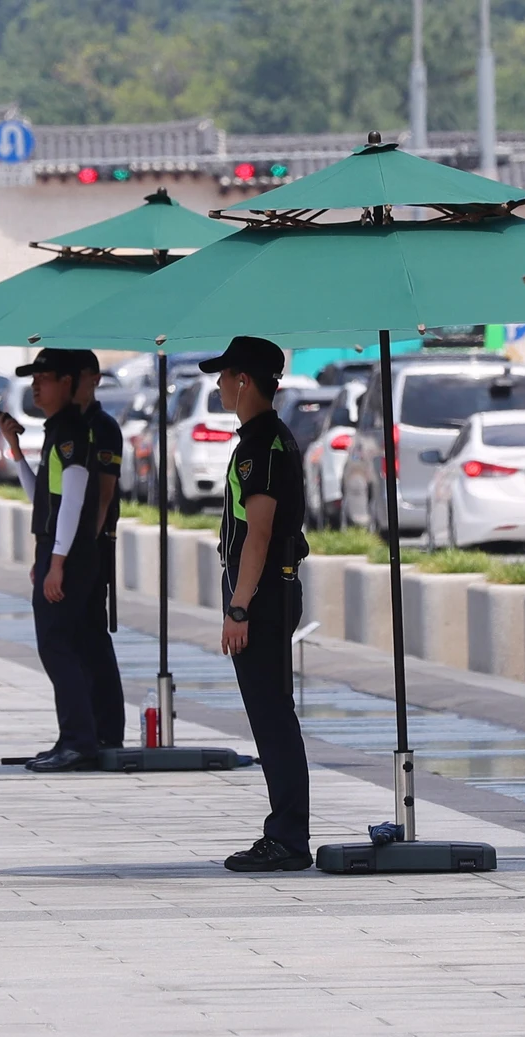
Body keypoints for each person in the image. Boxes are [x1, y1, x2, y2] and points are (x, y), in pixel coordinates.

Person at [204, 337, 313, 873]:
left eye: (224, 376)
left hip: (265, 594)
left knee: (272, 718)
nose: (219, 384)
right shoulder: (262, 439)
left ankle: (289, 837)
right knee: (273, 715)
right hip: (271, 591)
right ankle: (286, 831)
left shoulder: (262, 444)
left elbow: (260, 532)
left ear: (244, 380)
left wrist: (238, 607)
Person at [0, 349, 103, 772]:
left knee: (59, 647)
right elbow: (44, 496)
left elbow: (74, 499)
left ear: (68, 382)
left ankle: (80, 740)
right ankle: (71, 737)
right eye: (33, 377)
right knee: (58, 647)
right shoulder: (57, 430)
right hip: (57, 551)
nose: (36, 385)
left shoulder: (72, 432)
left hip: (71, 556)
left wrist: (57, 561)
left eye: (45, 377)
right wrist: (16, 451)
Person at [75, 351, 126, 749]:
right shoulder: (68, 425)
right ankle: (85, 728)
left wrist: (84, 548)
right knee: (76, 638)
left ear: (92, 379)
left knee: (92, 637)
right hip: (72, 545)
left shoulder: (102, 427)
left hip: (93, 546)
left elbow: (104, 494)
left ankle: (107, 731)